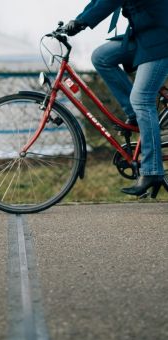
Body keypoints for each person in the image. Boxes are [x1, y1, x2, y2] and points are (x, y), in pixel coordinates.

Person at [65, 0, 168, 198]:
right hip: (144, 37)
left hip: (160, 40)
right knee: (101, 57)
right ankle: (134, 114)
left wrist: (83, 22)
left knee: (142, 99)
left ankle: (152, 171)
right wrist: (77, 19)